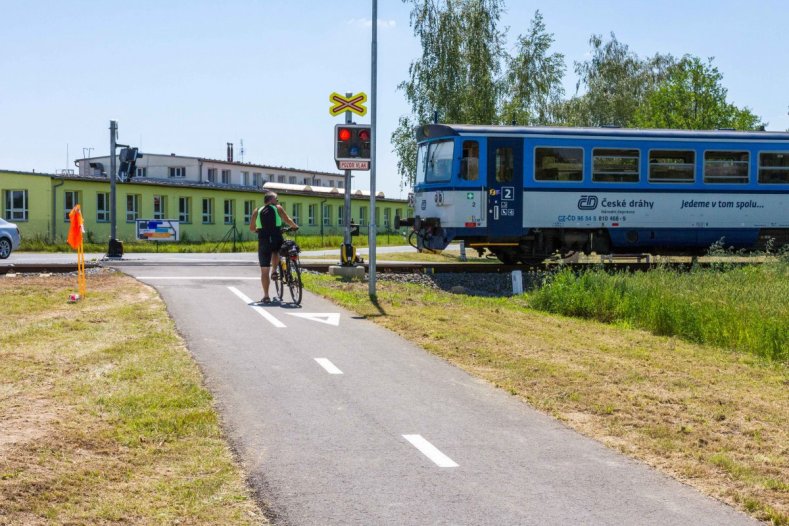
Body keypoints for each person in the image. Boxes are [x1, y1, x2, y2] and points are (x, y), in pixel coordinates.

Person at [249, 192, 298, 303]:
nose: (278, 201)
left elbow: (252, 228)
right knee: (276, 251)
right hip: (276, 236)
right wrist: (294, 226)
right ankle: (275, 271)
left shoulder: (257, 210)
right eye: (277, 199)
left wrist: (259, 230)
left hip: (263, 240)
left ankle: (266, 296)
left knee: (264, 270)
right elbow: (287, 219)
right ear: (271, 200)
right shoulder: (277, 208)